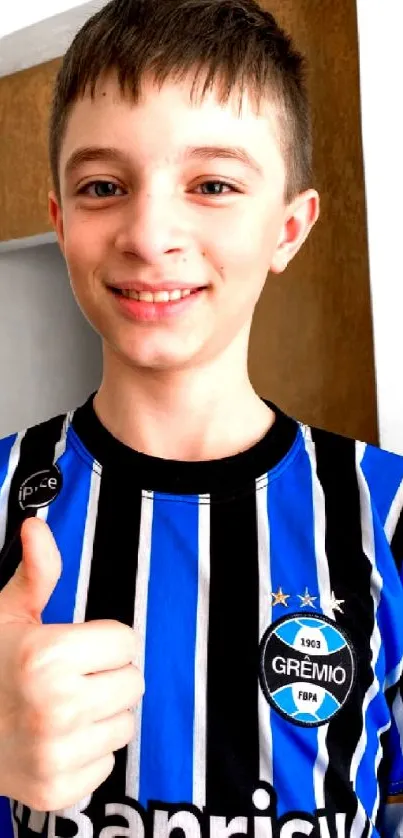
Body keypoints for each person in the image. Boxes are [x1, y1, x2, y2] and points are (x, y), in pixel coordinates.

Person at [0, 0, 402, 835]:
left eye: (212, 184)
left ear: (288, 228)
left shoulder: (390, 515)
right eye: (103, 187)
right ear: (61, 220)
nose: (149, 234)